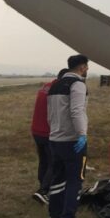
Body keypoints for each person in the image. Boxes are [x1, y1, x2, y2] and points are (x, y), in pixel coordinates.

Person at [46, 54, 90, 218]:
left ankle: (54, 215)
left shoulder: (55, 85)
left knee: (58, 178)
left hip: (55, 139)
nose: (87, 70)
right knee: (75, 180)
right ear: (82, 67)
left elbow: (50, 114)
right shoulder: (77, 84)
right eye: (86, 67)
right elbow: (77, 111)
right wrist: (82, 134)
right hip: (72, 141)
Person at [30, 68, 69, 205]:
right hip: (48, 132)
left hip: (36, 130)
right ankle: (43, 191)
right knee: (54, 162)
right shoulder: (58, 90)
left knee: (44, 161)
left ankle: (43, 187)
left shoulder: (46, 86)